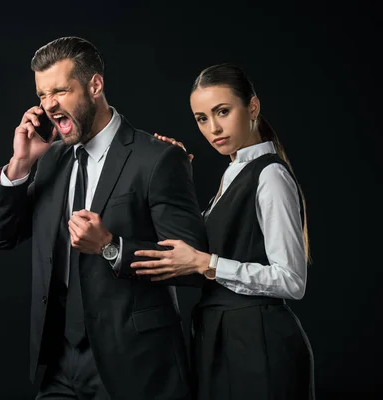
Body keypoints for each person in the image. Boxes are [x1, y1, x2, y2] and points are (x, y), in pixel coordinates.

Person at [0, 36, 208, 400]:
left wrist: (111, 248)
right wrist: (20, 164)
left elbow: (193, 265)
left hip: (134, 366)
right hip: (58, 364)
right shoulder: (50, 159)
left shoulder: (157, 158)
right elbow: (0, 235)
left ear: (95, 85)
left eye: (59, 90)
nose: (48, 104)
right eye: (42, 95)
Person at [131, 63, 315, 399]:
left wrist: (207, 263)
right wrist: (174, 177)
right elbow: (200, 241)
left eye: (222, 111)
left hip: (259, 343)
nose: (213, 128)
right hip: (220, 339)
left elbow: (292, 280)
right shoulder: (233, 173)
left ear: (253, 108)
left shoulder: (270, 175)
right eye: (202, 118)